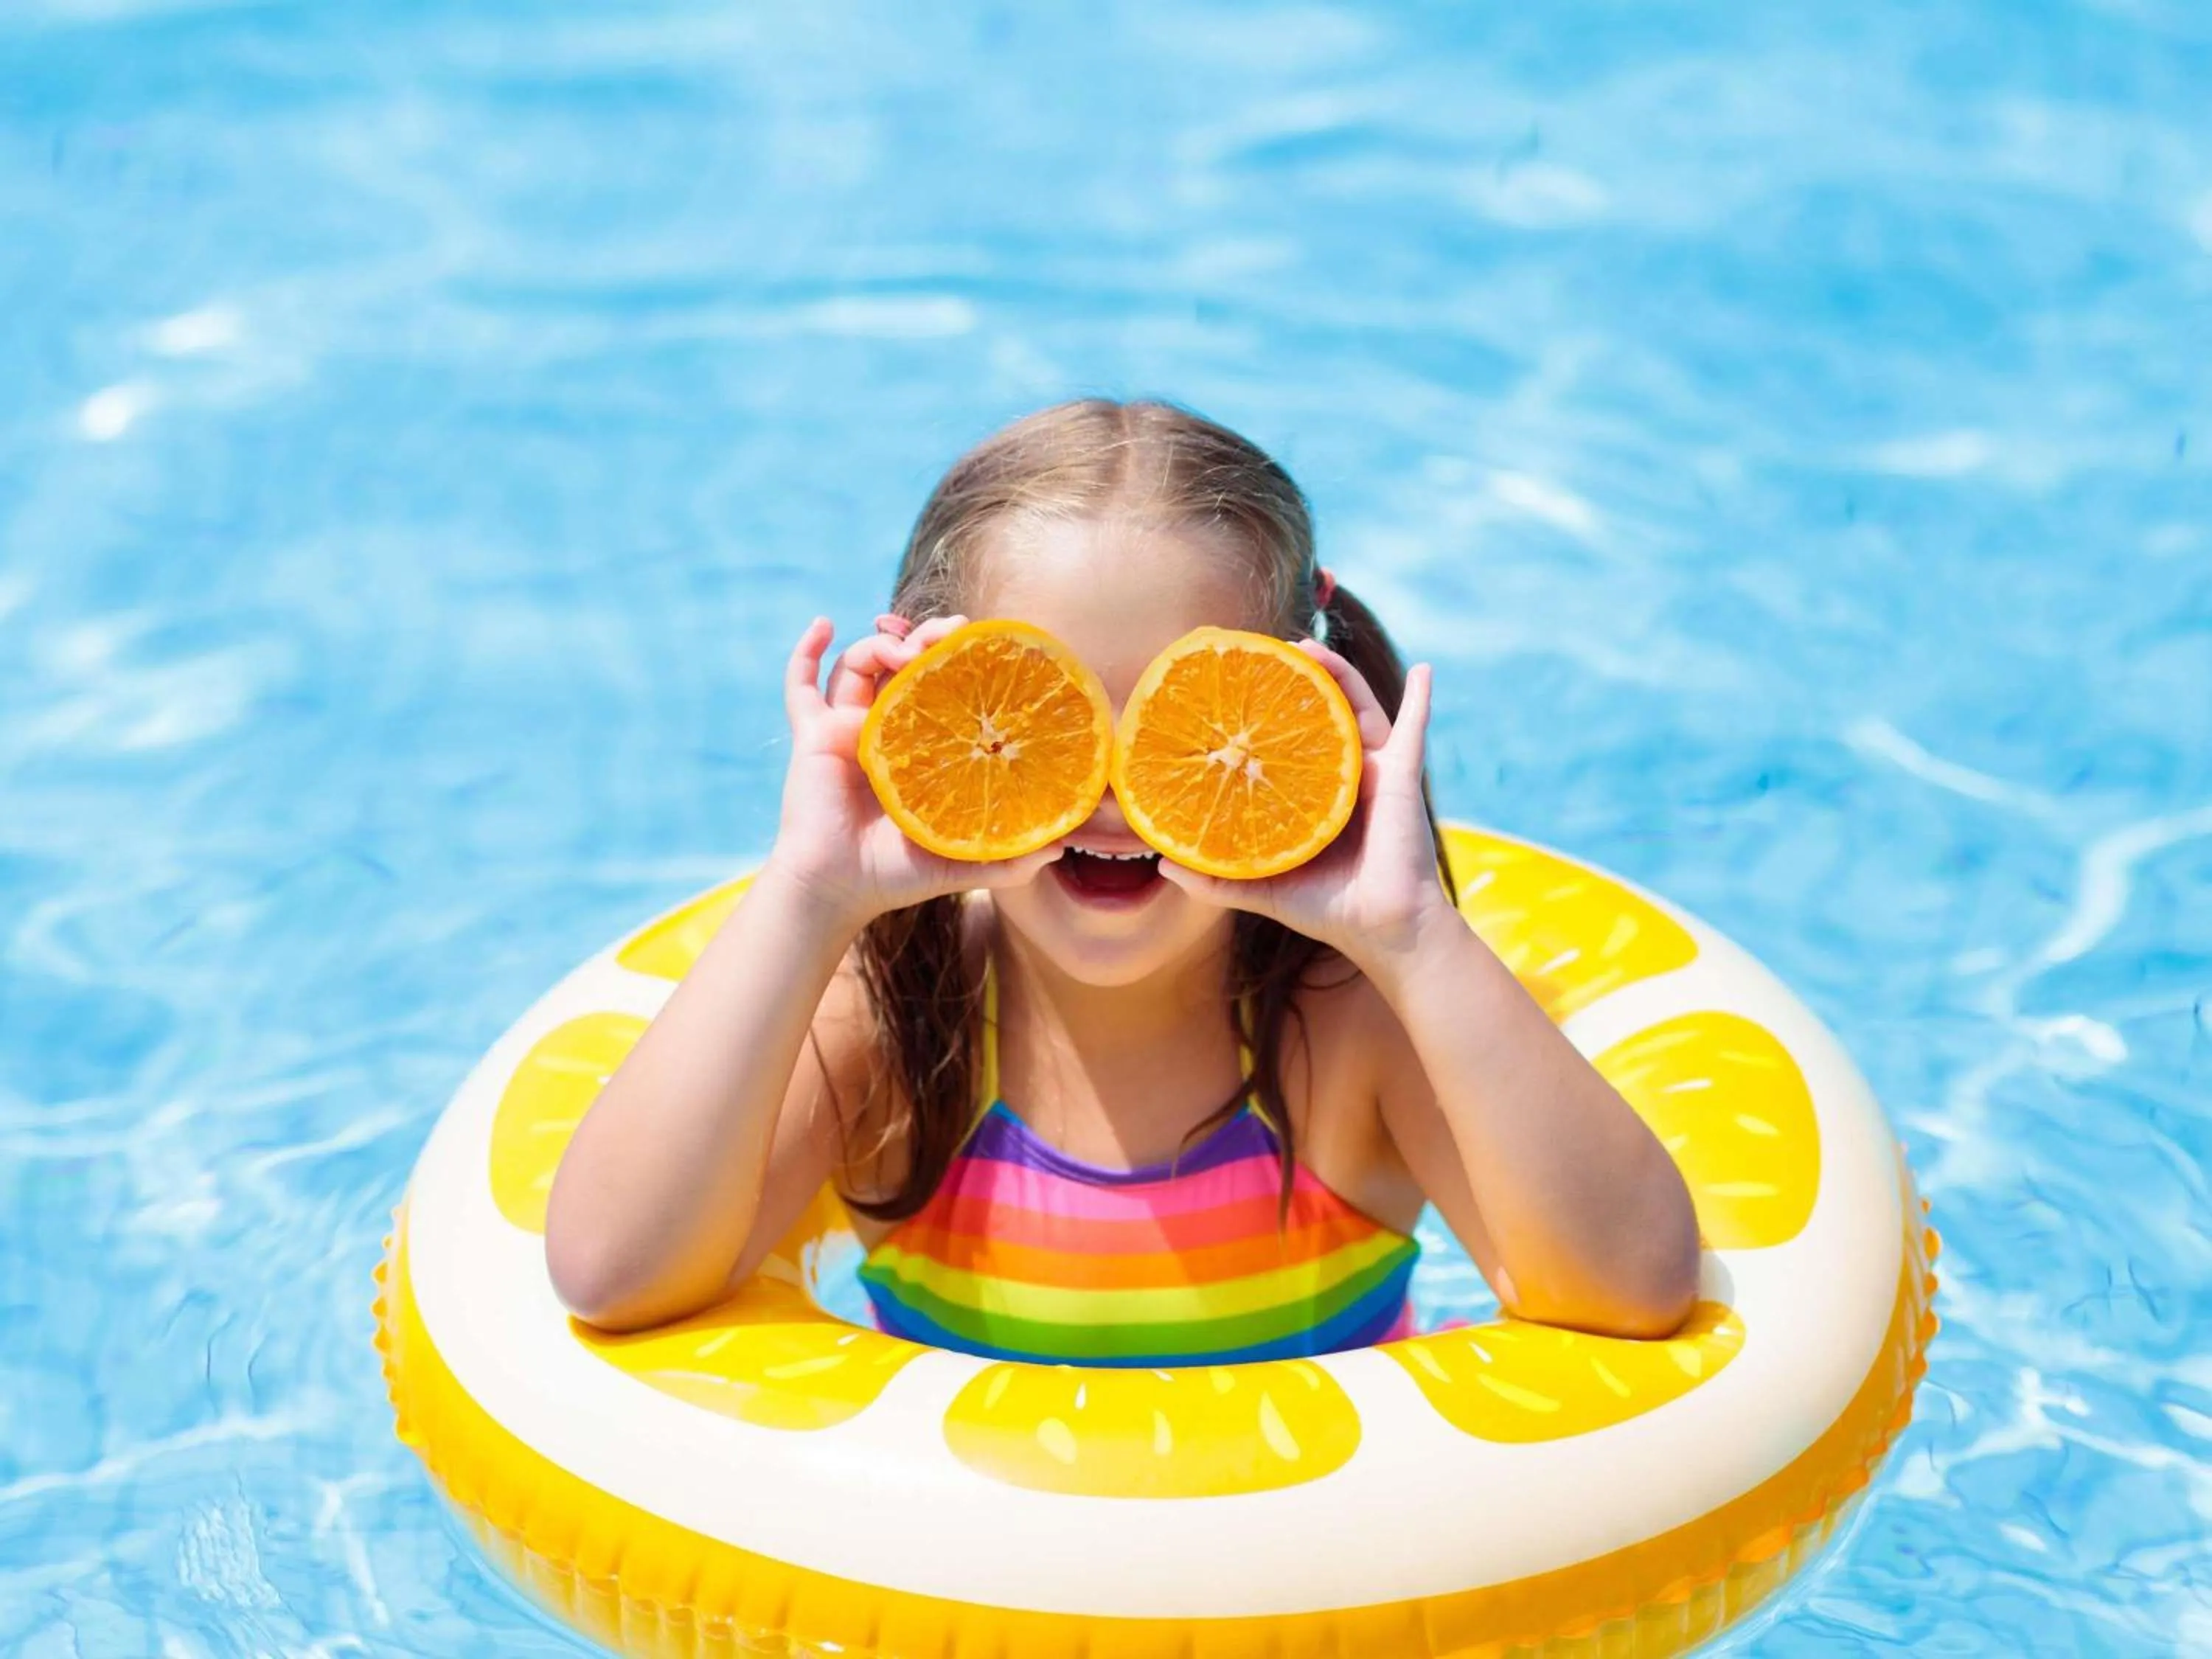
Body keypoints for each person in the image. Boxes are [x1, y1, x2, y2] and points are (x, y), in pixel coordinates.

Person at [543, 399, 1699, 1363]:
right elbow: (612, 1272)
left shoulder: (1352, 1026)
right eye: (1043, 712)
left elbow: (1630, 1292)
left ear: (1299, 698)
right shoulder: (895, 1022)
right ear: (925, 700)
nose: (1110, 792)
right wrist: (809, 892)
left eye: (1183, 717)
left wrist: (1409, 932)